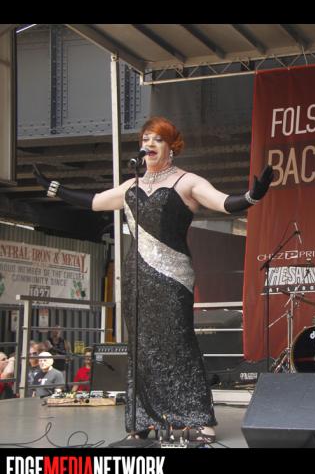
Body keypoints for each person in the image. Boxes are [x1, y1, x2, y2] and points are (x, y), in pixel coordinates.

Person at [34, 116, 273, 444]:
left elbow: (224, 203)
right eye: (146, 138)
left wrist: (252, 196)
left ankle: (197, 419)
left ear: (171, 147)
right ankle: (144, 420)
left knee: (178, 343)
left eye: (157, 139)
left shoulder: (187, 182)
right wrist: (54, 188)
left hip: (172, 276)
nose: (149, 144)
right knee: (142, 348)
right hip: (137, 276)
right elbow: (95, 201)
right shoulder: (131, 185)